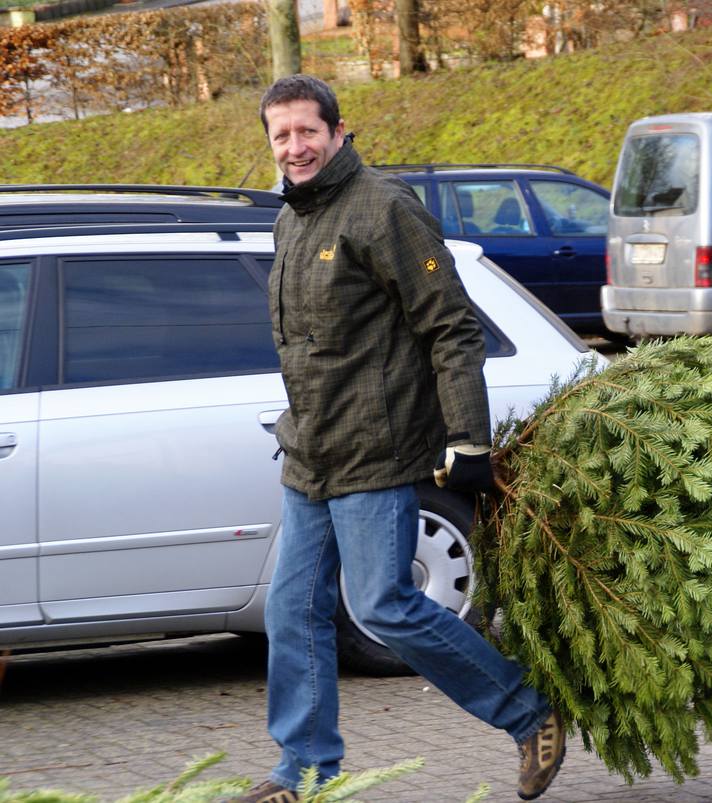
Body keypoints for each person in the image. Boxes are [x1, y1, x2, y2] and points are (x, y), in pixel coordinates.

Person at [229, 74, 565, 803]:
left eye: (307, 131)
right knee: (291, 610)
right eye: (281, 135)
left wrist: (467, 436)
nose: (295, 146)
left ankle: (530, 712)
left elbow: (451, 325)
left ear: (338, 132)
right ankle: (305, 772)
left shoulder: (384, 209)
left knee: (383, 604)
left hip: (376, 450)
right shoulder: (291, 219)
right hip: (311, 454)